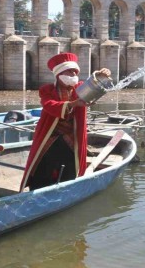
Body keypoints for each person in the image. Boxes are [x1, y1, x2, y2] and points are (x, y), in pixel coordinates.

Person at [19, 52, 111, 191]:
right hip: (50, 137)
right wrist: (74, 104)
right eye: (69, 71)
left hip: (72, 137)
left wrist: (101, 75)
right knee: (43, 168)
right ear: (59, 73)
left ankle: (68, 192)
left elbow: (94, 85)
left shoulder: (80, 87)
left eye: (75, 71)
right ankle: (37, 193)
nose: (73, 74)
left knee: (70, 168)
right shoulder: (47, 90)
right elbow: (49, 105)